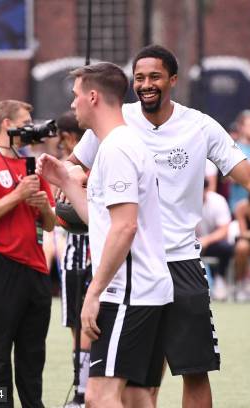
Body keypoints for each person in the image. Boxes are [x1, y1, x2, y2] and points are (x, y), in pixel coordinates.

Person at [65, 44, 250, 407]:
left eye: (154, 77)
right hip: (132, 267)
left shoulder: (199, 125)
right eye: (139, 78)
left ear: (173, 80)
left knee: (194, 369)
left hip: (181, 262)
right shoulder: (117, 123)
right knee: (136, 380)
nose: (146, 84)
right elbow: (74, 165)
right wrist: (72, 182)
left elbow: (249, 176)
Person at [37, 62, 174, 408]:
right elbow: (102, 220)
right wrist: (67, 182)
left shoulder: (116, 148)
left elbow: (125, 227)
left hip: (127, 291)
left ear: (93, 97)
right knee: (136, 396)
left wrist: (94, 292)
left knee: (99, 396)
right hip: (146, 288)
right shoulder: (119, 143)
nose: (73, 105)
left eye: (76, 96)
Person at [0, 99, 56, 408]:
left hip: (37, 270)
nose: (31, 127)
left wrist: (44, 206)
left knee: (33, 356)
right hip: (2, 266)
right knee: (0, 354)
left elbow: (51, 223)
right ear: (7, 123)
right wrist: (17, 196)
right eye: (26, 120)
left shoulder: (33, 165)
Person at [55, 111, 92, 407]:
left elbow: (65, 216)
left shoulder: (80, 167)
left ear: (68, 137)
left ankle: (82, 391)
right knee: (79, 323)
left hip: (82, 253)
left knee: (79, 325)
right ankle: (83, 388)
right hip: (88, 251)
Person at [197, 178, 232, 301]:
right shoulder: (183, 200)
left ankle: (220, 279)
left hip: (212, 243)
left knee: (226, 248)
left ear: (206, 189)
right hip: (188, 243)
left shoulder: (218, 201)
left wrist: (206, 240)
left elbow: (224, 230)